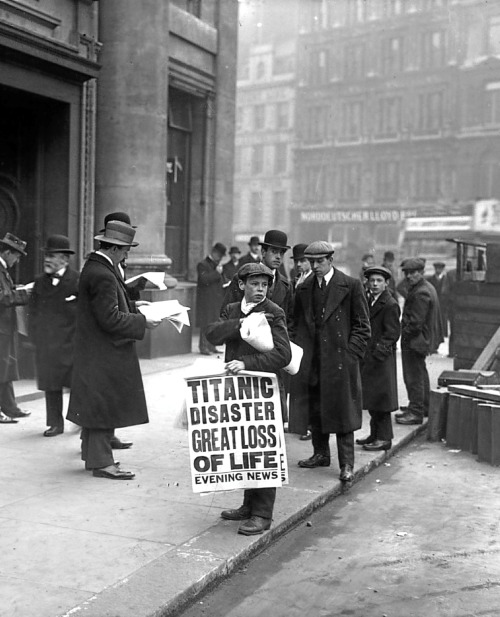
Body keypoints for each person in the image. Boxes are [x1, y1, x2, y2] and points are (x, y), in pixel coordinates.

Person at [67, 220, 160, 479]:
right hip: (104, 352)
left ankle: (94, 456)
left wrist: (133, 307)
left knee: (98, 404)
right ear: (116, 249)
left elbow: (109, 308)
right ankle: (102, 463)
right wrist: (143, 321)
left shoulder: (98, 267)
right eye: (126, 249)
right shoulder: (103, 273)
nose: (127, 254)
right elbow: (110, 319)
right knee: (102, 406)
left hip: (96, 350)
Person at [205, 262, 291, 535]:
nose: (260, 289)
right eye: (254, 284)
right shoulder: (232, 309)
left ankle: (263, 513)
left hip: (263, 389)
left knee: (263, 449)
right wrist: (240, 323)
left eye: (265, 285)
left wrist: (246, 362)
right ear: (241, 285)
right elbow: (212, 334)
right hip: (239, 391)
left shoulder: (274, 312)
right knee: (244, 444)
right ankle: (248, 504)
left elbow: (283, 354)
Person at [292, 241, 371, 482]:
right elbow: (296, 324)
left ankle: (346, 463)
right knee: (316, 409)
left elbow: (362, 327)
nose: (315, 266)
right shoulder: (304, 289)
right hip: (314, 361)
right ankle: (320, 454)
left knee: (343, 414)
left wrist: (350, 356)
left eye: (320, 262)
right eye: (311, 262)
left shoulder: (350, 286)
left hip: (340, 362)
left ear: (330, 260)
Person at [29, 235, 79, 436]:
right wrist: (35, 339)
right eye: (46, 256)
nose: (47, 260)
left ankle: (80, 419)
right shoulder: (40, 282)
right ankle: (55, 424)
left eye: (52, 256)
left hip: (71, 343)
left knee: (77, 384)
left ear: (65, 260)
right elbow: (31, 313)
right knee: (51, 385)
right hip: (48, 344)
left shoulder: (77, 279)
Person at [356, 266, 400, 452]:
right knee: (373, 400)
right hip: (370, 358)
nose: (374, 284)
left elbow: (392, 334)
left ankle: (384, 438)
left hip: (381, 360)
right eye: (371, 280)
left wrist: (377, 354)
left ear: (386, 283)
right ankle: (375, 434)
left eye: (379, 281)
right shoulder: (369, 300)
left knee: (382, 401)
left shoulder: (389, 304)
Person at [396, 258, 441, 426]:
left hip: (415, 341)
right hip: (421, 340)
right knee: (420, 373)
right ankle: (423, 407)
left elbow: (415, 323)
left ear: (421, 272)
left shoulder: (421, 292)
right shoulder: (425, 287)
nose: (408, 276)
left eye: (413, 273)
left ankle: (416, 412)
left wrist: (404, 333)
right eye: (406, 273)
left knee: (413, 376)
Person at [221, 230, 292, 322]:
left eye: (281, 253)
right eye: (274, 251)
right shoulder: (242, 278)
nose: (278, 256)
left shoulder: (285, 285)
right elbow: (226, 314)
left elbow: (290, 321)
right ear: (263, 252)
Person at [0, 233, 31, 424]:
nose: (18, 260)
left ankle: (10, 407)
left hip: (4, 327)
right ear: (7, 252)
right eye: (17, 255)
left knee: (6, 366)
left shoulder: (3, 270)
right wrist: (22, 294)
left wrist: (17, 290)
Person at [288, 242, 312, 440]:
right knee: (297, 381)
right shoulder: (298, 279)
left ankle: (310, 425)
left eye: (303, 261)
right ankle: (298, 424)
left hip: (308, 338)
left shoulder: (311, 281)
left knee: (307, 382)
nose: (299, 265)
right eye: (297, 261)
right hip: (297, 336)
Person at [196, 242, 227, 355]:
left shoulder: (216, 265)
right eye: (219, 255)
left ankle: (212, 345)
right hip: (206, 301)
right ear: (214, 252)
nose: (219, 258)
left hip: (215, 300)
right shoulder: (202, 264)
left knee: (214, 323)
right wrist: (217, 273)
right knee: (206, 323)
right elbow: (204, 280)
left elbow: (221, 280)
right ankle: (203, 346)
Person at [427, 261, 450, 337]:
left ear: (442, 269)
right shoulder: (430, 280)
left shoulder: (446, 280)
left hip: (443, 303)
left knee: (443, 318)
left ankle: (443, 334)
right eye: (437, 269)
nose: (438, 270)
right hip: (434, 302)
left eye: (440, 269)